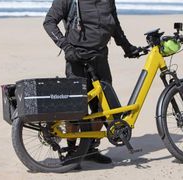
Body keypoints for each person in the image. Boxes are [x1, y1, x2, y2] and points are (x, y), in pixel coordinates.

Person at [43, 0, 139, 164]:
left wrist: (126, 46)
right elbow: (49, 22)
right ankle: (73, 150)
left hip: (100, 57)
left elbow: (113, 23)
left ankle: (89, 148)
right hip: (76, 58)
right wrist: (66, 47)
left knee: (102, 108)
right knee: (75, 108)